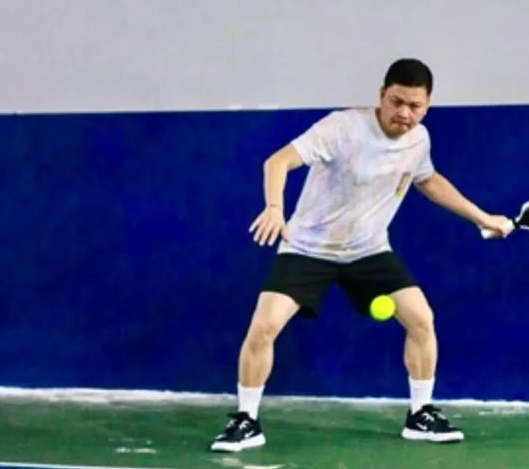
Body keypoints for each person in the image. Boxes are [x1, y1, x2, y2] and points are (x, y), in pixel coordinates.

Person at [210, 58, 511, 452]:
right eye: (397, 102)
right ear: (382, 95)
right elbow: (277, 161)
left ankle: (420, 414)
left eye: (415, 106)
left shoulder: (419, 140)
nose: (404, 113)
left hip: (368, 249)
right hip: (308, 247)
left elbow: (429, 181)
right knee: (264, 326)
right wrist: (273, 207)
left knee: (421, 319)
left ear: (427, 106)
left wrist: (482, 218)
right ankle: (246, 420)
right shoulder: (342, 128)